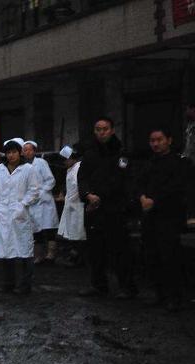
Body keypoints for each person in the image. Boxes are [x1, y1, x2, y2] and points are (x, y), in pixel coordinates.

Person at [77, 116, 137, 299]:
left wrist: (100, 197)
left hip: (114, 208)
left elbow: (122, 181)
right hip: (94, 210)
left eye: (105, 129)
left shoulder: (121, 154)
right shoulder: (89, 153)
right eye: (97, 129)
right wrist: (87, 194)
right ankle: (98, 284)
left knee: (119, 249)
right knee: (95, 250)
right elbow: (82, 177)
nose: (101, 132)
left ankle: (127, 287)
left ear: (112, 130)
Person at [138, 127, 187, 311]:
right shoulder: (149, 163)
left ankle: (174, 297)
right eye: (152, 140)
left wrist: (155, 200)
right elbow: (139, 183)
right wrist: (142, 197)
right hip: (150, 217)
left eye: (159, 140)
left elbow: (176, 188)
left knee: (170, 257)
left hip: (169, 217)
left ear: (169, 140)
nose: (156, 144)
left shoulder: (179, 163)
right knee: (152, 256)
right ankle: (159, 293)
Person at [0, 138, 40, 295]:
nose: (11, 155)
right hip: (3, 214)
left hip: (20, 214)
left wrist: (22, 204)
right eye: (8, 152)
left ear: (20, 153)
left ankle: (25, 285)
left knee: (24, 250)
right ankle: (8, 283)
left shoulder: (27, 169)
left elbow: (34, 191)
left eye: (14, 152)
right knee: (6, 250)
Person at [22, 140, 59, 264]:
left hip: (44, 201)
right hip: (32, 202)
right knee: (36, 230)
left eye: (30, 149)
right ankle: (39, 255)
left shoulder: (41, 163)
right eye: (25, 150)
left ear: (34, 151)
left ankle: (50, 254)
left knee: (49, 229)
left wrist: (41, 192)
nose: (27, 152)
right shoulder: (22, 166)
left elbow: (50, 180)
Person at [57, 144, 86, 267]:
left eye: (65, 159)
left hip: (77, 205)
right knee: (73, 233)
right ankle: (75, 256)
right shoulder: (71, 169)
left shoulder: (78, 168)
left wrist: (69, 199)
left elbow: (78, 187)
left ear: (72, 158)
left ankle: (79, 258)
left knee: (79, 233)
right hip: (72, 204)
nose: (64, 163)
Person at [183, 102, 195, 226]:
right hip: (190, 162)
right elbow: (188, 146)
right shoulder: (190, 126)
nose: (186, 112)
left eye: (188, 109)